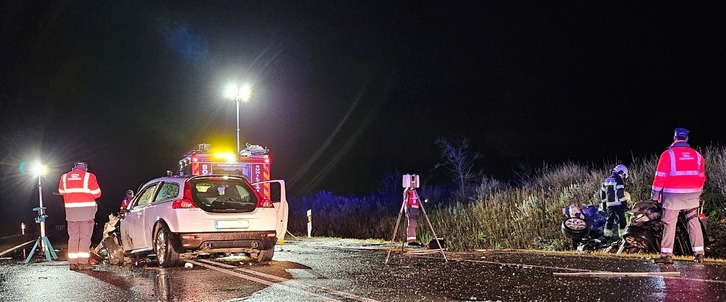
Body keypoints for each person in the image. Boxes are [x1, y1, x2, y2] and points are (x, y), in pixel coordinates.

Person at [652, 128, 706, 264]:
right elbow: (701, 177)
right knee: (693, 221)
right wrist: (697, 194)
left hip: (672, 196)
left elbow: (659, 178)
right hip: (692, 196)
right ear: (687, 139)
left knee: (669, 223)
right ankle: (699, 254)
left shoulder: (667, 155)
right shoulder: (697, 156)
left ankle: (666, 255)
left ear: (675, 138)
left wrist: (655, 196)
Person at [58, 162, 102, 271]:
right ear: (85, 168)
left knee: (73, 237)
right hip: (86, 212)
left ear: (73, 168)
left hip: (71, 213)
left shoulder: (64, 177)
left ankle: (73, 263)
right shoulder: (89, 176)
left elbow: (61, 191)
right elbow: (97, 193)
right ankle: (82, 263)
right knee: (85, 238)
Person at [600, 164, 628, 243]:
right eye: (624, 175)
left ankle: (606, 237)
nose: (623, 177)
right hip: (618, 204)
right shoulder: (618, 180)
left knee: (610, 220)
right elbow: (620, 194)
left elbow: (602, 193)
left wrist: (604, 204)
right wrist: (624, 204)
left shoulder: (607, 180)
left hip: (609, 205)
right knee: (622, 220)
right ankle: (623, 237)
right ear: (621, 172)